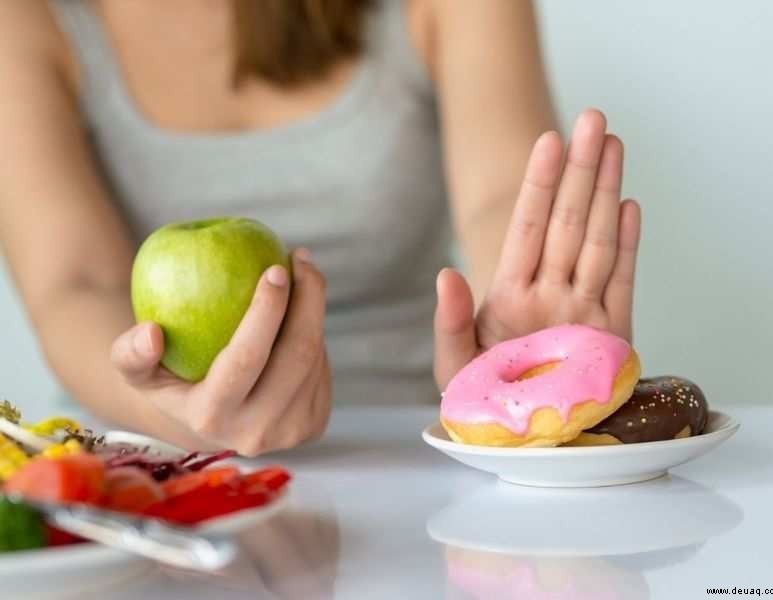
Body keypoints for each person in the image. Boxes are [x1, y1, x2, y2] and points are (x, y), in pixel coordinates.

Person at [0, 0, 640, 456]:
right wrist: (178, 417)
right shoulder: (26, 19)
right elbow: (74, 281)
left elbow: (500, 195)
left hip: (411, 463)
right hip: (146, 471)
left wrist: (521, 335)